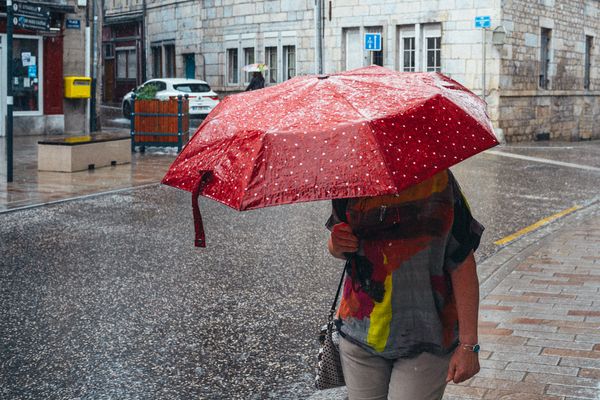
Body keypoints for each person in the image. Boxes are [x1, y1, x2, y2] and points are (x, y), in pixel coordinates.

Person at [326, 169, 482, 400]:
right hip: (360, 334)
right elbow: (341, 248)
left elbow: (461, 262)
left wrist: (469, 345)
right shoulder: (348, 182)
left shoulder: (439, 183)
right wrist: (335, 244)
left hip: (428, 337)